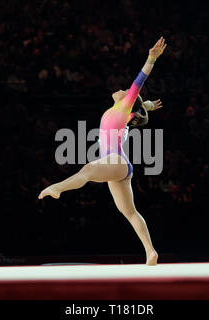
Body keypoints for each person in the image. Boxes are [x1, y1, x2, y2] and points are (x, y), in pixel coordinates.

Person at [39, 37, 167, 266]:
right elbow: (139, 108)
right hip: (119, 166)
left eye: (126, 91)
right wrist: (146, 106)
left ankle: (58, 188)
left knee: (87, 169)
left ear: (128, 99)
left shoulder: (124, 105)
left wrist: (151, 58)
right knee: (129, 212)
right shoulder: (126, 113)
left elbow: (139, 81)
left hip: (116, 161)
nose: (122, 89)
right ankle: (150, 252)